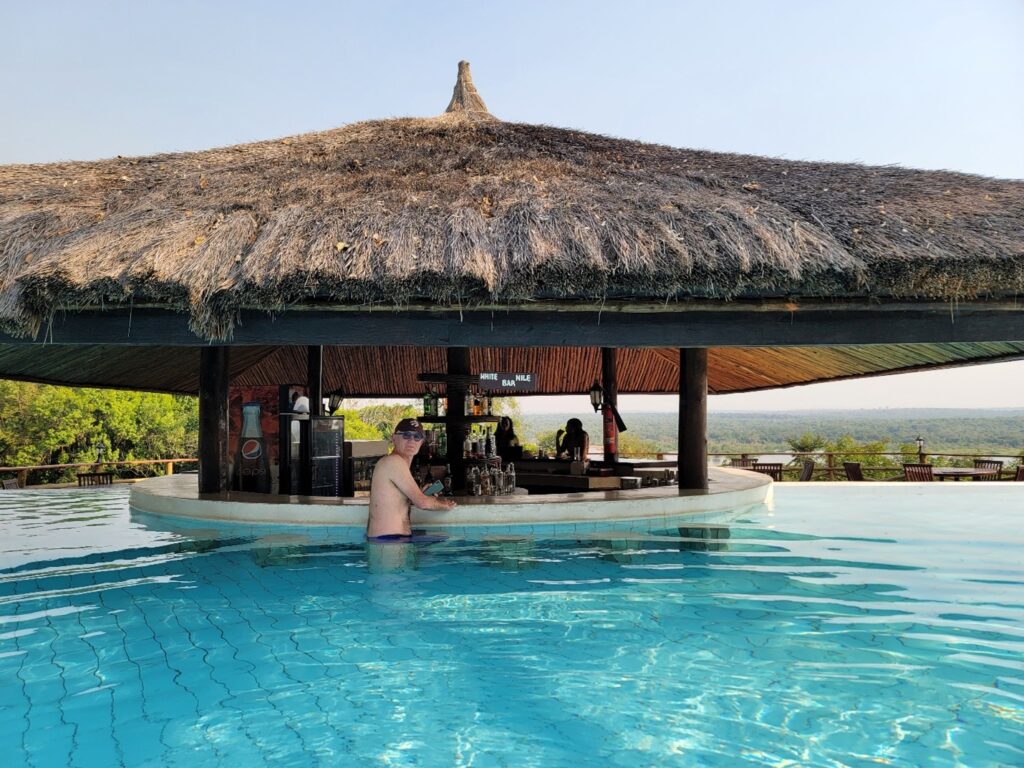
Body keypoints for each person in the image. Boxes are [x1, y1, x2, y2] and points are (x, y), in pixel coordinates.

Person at [367, 418, 456, 539]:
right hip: (388, 543)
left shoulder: (397, 464)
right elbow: (422, 503)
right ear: (394, 438)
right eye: (406, 435)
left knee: (442, 539)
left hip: (392, 540)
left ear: (421, 442)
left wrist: (421, 493)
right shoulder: (393, 461)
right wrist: (444, 504)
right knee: (452, 541)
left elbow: (399, 502)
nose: (411, 441)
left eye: (417, 437)